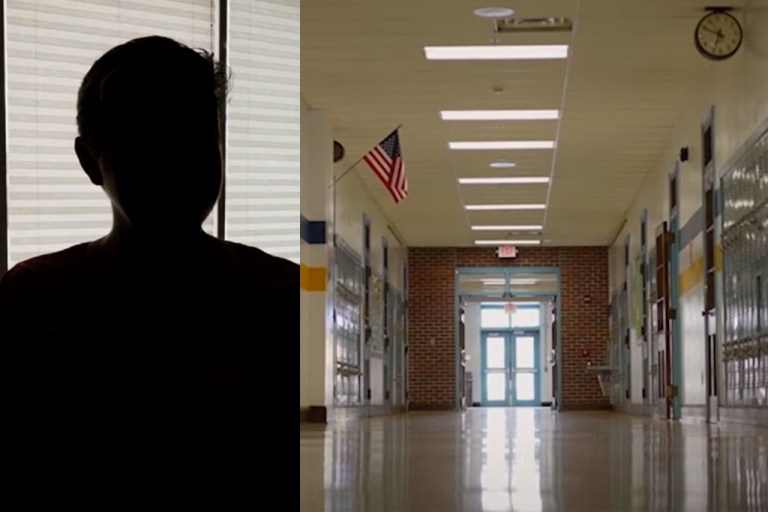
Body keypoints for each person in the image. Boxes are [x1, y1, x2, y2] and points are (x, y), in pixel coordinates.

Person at [0, 36, 298, 444]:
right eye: (145, 139)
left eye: (192, 134)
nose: (174, 160)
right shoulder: (29, 301)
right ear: (90, 162)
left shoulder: (283, 298)